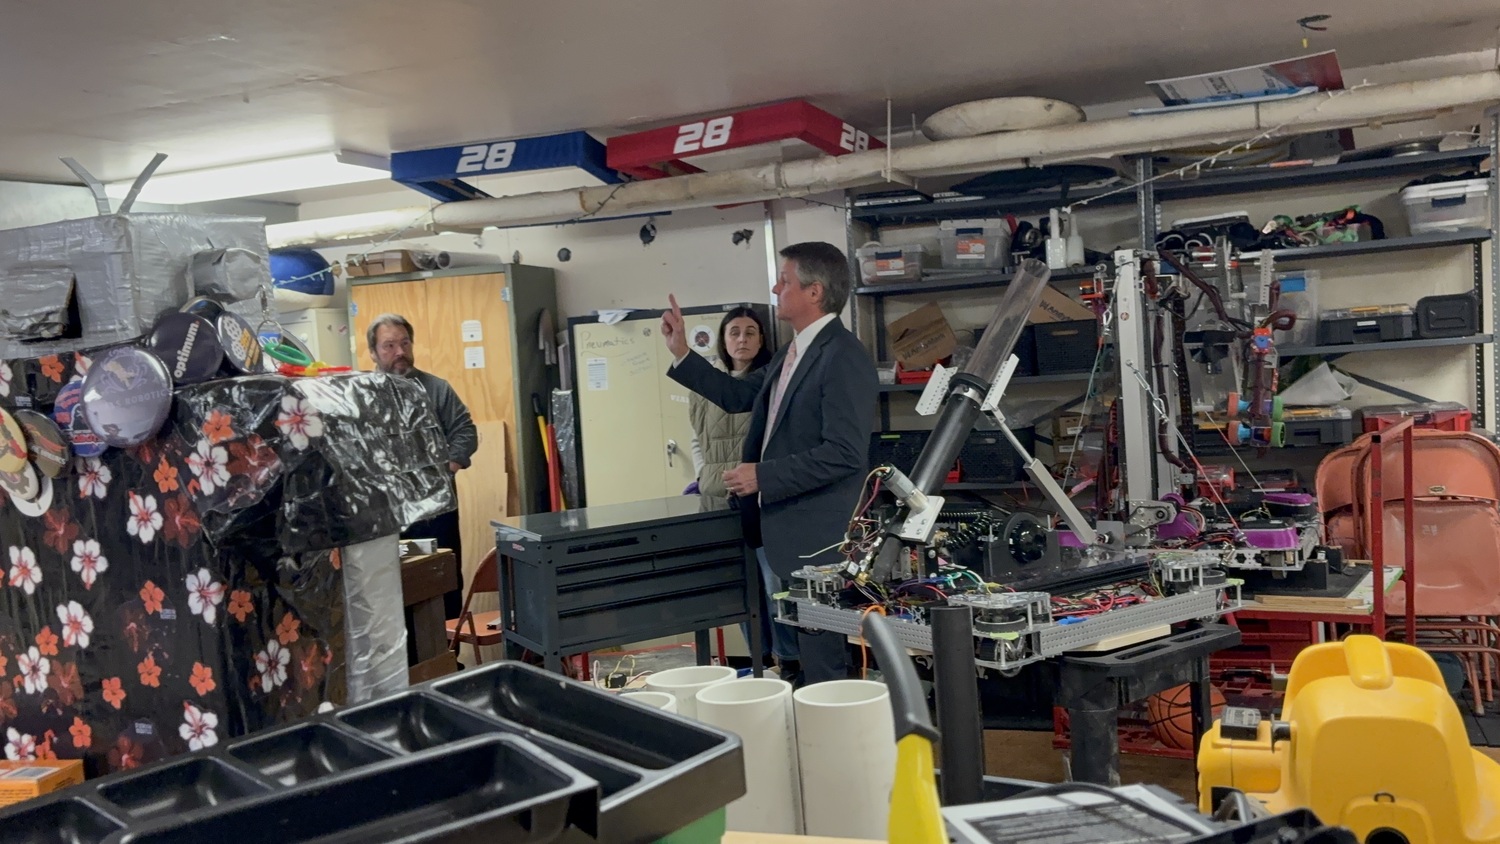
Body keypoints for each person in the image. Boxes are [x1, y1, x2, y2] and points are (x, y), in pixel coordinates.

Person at [663, 242, 877, 685]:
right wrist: (683, 352)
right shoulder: (792, 352)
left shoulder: (843, 356)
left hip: (817, 536)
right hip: (783, 529)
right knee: (803, 650)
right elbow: (738, 395)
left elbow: (845, 452)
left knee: (824, 660)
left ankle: (831, 735)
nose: (776, 287)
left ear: (814, 292)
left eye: (785, 280)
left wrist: (763, 475)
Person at [685, 307, 788, 669]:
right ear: (723, 340)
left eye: (750, 332)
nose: (741, 339)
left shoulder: (773, 382)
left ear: (761, 340)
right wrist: (705, 477)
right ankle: (759, 663)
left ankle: (787, 662)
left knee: (775, 587)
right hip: (719, 500)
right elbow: (697, 439)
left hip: (762, 500)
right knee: (741, 590)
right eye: (734, 332)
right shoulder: (706, 384)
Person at [368, 313, 478, 620]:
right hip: (387, 515)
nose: (400, 352)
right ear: (374, 352)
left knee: (443, 583)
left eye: (404, 343)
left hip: (436, 513)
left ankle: (451, 659)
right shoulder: (361, 395)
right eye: (389, 345)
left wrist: (448, 468)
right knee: (395, 589)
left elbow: (465, 431)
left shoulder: (436, 389)